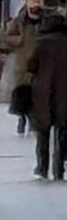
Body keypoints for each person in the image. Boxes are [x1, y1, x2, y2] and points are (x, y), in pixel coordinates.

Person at [28, 13, 67, 181]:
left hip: (43, 90)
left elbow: (31, 65)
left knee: (43, 131)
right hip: (65, 90)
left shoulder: (41, 43)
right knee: (63, 129)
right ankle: (59, 167)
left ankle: (42, 167)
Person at [3, 0, 49, 136]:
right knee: (23, 93)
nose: (35, 5)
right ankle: (22, 118)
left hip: (42, 63)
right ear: (27, 3)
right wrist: (19, 40)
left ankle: (33, 121)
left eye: (37, 1)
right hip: (23, 63)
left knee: (38, 94)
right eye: (32, 2)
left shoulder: (46, 19)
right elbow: (8, 37)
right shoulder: (20, 20)